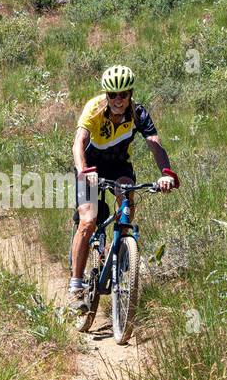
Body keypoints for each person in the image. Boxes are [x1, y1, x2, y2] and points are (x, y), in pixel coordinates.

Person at [69, 64, 178, 312]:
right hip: (90, 168)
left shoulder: (138, 114)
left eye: (123, 94)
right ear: (106, 95)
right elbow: (79, 143)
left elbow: (155, 144)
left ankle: (119, 252)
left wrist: (166, 174)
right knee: (88, 220)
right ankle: (76, 286)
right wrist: (83, 171)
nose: (118, 100)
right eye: (113, 95)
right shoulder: (94, 110)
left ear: (130, 94)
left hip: (119, 167)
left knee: (127, 205)